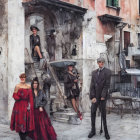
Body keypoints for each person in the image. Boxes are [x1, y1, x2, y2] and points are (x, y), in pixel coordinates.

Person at [88, 57, 111, 140]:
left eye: (102, 62)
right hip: (95, 98)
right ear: (97, 63)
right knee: (92, 113)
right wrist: (92, 97)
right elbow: (92, 86)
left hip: (102, 98)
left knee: (103, 115)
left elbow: (107, 85)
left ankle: (106, 132)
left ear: (104, 63)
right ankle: (93, 131)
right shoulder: (94, 73)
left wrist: (103, 95)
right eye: (99, 62)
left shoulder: (108, 72)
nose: (101, 63)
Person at [10, 73, 34, 140]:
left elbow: (31, 97)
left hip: (26, 105)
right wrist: (18, 97)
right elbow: (14, 95)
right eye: (21, 77)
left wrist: (30, 105)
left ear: (25, 78)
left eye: (24, 77)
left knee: (26, 119)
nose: (22, 78)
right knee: (20, 120)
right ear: (20, 78)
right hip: (19, 105)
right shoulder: (17, 86)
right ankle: (22, 136)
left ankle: (25, 135)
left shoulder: (28, 86)